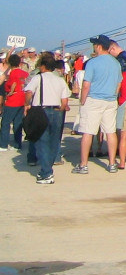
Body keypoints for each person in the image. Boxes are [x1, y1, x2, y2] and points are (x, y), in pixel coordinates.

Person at [74, 35, 123, 174]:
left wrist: (83, 100)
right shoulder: (116, 63)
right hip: (111, 100)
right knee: (110, 131)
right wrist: (114, 95)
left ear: (99, 46)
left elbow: (86, 84)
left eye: (95, 45)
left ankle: (83, 165)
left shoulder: (93, 63)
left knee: (88, 132)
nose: (94, 47)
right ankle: (112, 163)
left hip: (94, 99)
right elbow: (119, 83)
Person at [22, 52, 71, 184]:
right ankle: (47, 168)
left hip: (41, 110)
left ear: (43, 66)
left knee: (42, 142)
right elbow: (65, 101)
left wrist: (27, 104)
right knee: (54, 142)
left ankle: (46, 173)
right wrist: (60, 109)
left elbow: (28, 92)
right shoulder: (60, 80)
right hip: (57, 111)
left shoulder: (38, 78)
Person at [0, 52, 30, 152]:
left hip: (13, 99)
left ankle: (3, 144)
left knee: (5, 122)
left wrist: (10, 92)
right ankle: (18, 144)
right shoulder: (23, 72)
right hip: (22, 97)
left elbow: (13, 83)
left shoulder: (13, 73)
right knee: (18, 122)